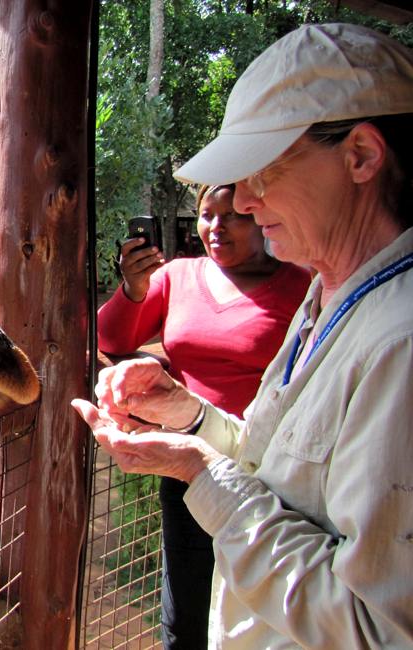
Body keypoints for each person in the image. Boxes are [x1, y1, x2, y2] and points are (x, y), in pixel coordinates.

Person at [74, 22, 413, 648]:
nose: (247, 202)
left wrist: (203, 474)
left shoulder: (400, 340)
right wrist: (189, 415)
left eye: (265, 170)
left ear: (361, 155)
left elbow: (375, 628)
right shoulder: (326, 296)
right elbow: (268, 464)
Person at [98, 184, 309, 648]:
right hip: (189, 464)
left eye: (233, 216)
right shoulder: (178, 276)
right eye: (206, 215)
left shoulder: (304, 285)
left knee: (260, 606)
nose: (215, 228)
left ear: (262, 215)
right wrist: (133, 289)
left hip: (267, 469)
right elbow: (111, 340)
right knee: (185, 610)